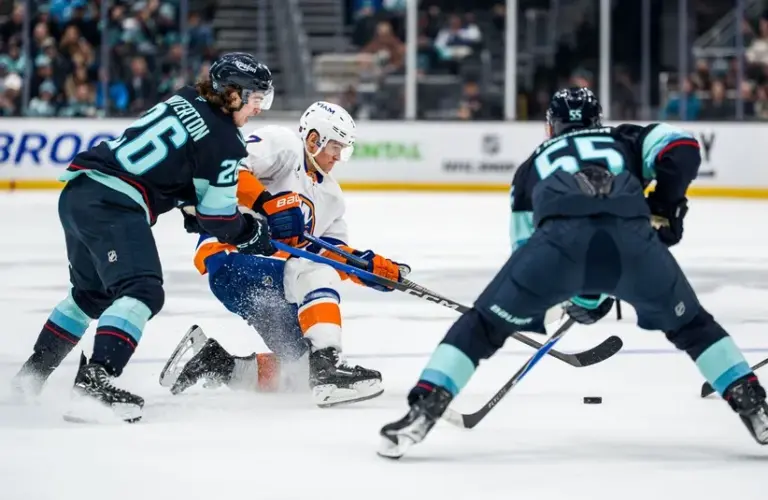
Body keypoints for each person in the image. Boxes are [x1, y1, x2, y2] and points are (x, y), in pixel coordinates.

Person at [377, 87, 768, 458]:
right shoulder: (626, 138)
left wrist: (582, 297)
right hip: (635, 245)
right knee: (694, 327)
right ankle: (755, 407)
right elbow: (684, 151)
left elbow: (524, 253)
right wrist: (664, 205)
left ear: (551, 126)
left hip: (556, 250)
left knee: (482, 326)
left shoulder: (531, 167)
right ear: (599, 119)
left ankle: (423, 410)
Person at [12, 53, 303, 422]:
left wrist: (188, 204)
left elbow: (173, 168)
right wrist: (254, 234)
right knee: (142, 290)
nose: (259, 109)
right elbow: (220, 219)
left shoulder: (185, 98)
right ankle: (95, 384)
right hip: (113, 203)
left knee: (91, 295)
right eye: (257, 99)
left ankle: (30, 379)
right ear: (232, 94)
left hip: (80, 193)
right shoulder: (227, 141)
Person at [162, 101, 411, 407]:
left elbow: (330, 252)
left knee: (299, 373)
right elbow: (226, 170)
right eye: (334, 147)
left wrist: (370, 268)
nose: (337, 157)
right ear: (313, 139)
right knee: (315, 272)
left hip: (268, 284)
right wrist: (265, 203)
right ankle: (329, 366)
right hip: (231, 256)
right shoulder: (283, 145)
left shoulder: (331, 198)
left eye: (343, 150)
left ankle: (215, 363)